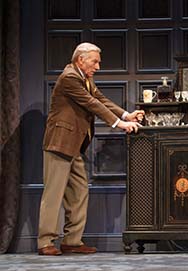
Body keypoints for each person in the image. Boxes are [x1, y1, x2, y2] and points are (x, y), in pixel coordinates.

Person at [38, 42, 144, 256]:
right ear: (80, 59)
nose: (97, 66)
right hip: (60, 143)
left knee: (79, 191)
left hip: (74, 145)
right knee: (54, 193)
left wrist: (125, 115)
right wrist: (119, 124)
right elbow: (91, 104)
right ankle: (45, 242)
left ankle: (72, 241)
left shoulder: (85, 78)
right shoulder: (69, 77)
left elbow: (100, 99)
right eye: (95, 61)